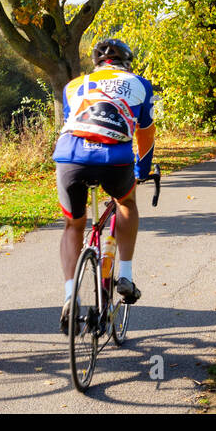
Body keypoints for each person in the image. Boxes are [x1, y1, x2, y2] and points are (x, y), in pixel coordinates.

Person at [55, 37, 155, 334]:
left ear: (96, 64)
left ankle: (70, 295)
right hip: (115, 158)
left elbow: (70, 122)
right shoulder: (139, 83)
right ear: (126, 63)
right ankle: (125, 275)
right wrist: (142, 170)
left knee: (73, 226)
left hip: (71, 156)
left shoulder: (73, 85)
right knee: (126, 203)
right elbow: (145, 132)